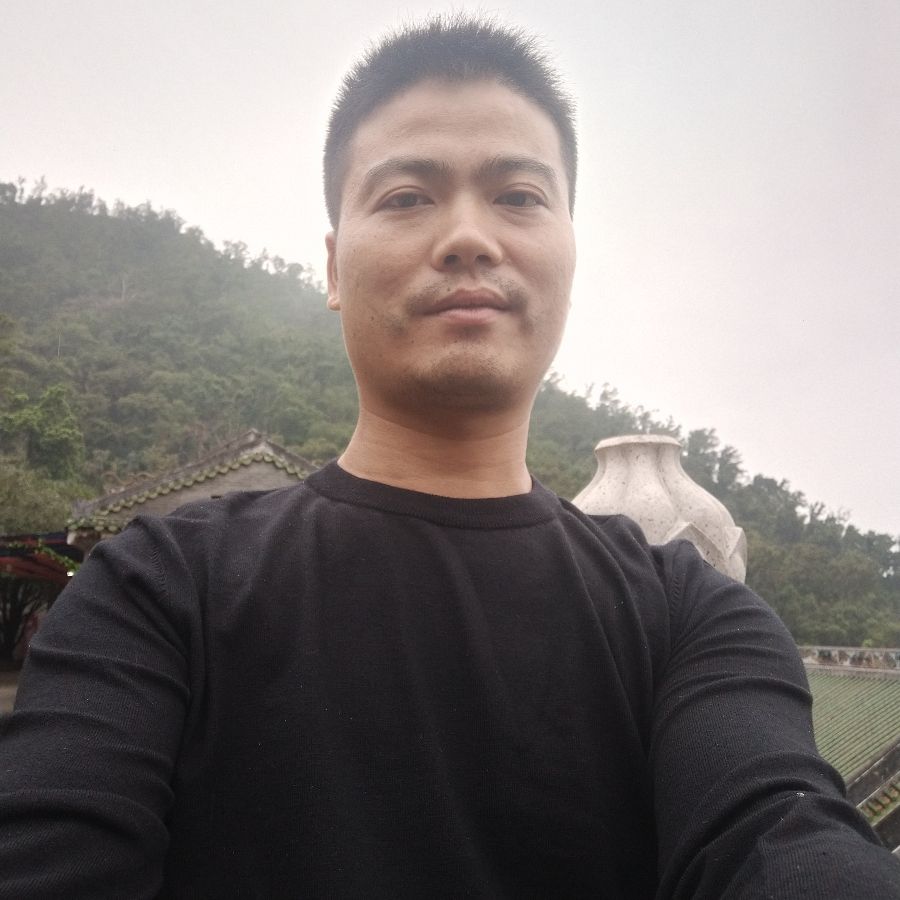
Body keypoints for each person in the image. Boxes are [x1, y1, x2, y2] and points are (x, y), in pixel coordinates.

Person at [1, 16, 898, 899]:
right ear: (334, 268)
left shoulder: (691, 619)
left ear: (570, 252)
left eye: (519, 196)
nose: (469, 235)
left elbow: (776, 835)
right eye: (406, 196)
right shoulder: (158, 589)